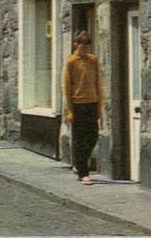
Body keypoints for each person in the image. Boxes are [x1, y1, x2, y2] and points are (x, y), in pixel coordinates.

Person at [63, 30, 103, 186]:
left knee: (92, 136)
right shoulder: (71, 62)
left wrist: (100, 106)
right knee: (79, 138)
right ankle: (83, 173)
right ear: (76, 45)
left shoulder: (93, 60)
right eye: (82, 47)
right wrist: (70, 110)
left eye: (88, 47)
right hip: (78, 103)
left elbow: (98, 84)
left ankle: (79, 163)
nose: (85, 50)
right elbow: (66, 87)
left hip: (92, 102)